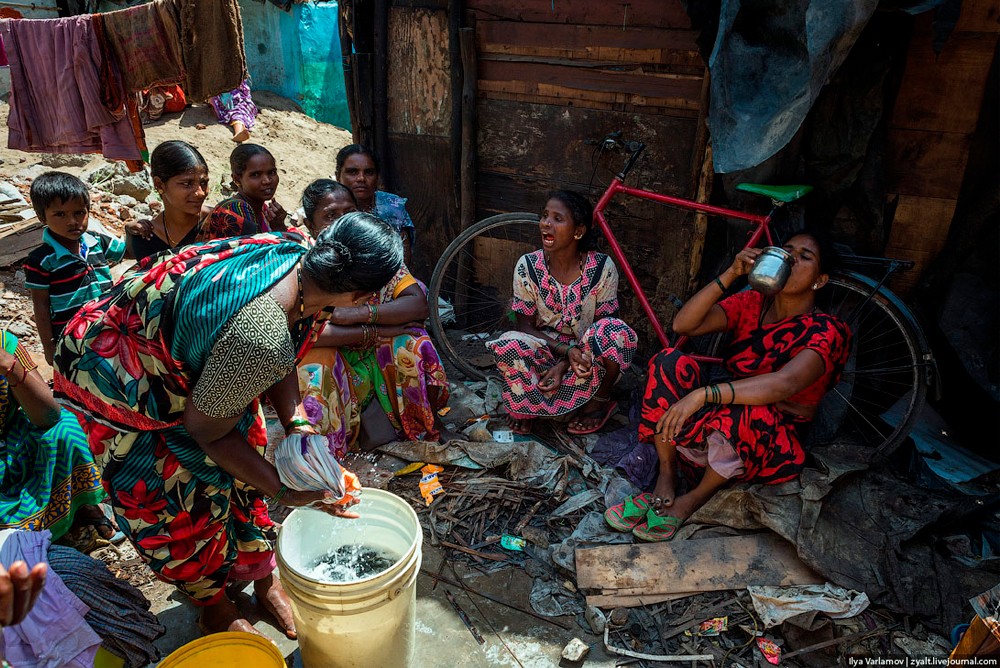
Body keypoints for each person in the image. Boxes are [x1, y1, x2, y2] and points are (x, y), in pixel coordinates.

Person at [53, 216, 403, 637]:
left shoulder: (302, 258)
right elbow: (208, 429)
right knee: (177, 507)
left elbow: (284, 343)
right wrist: (286, 491)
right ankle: (214, 605)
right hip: (124, 375)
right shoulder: (258, 332)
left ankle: (262, 576)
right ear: (363, 294)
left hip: (210, 366)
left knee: (244, 472)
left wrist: (296, 423)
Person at [604, 232, 851, 542]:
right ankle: (666, 475)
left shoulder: (828, 331)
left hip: (766, 442)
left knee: (751, 413)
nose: (791, 259)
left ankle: (694, 499)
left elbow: (783, 384)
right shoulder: (753, 303)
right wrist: (732, 272)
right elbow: (684, 325)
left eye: (805, 257)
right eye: (786, 251)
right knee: (669, 361)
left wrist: (701, 395)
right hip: (723, 417)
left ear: (820, 280)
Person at [297, 187, 455, 453]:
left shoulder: (373, 251)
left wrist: (354, 316)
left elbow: (417, 302)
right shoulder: (308, 262)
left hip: (371, 348)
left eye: (348, 213)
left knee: (412, 343)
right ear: (311, 225)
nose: (340, 222)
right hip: (332, 349)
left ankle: (421, 426)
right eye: (330, 215)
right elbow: (301, 334)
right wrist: (372, 332)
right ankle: (326, 452)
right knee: (313, 369)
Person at [486, 190, 638, 436]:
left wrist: (569, 362)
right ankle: (525, 409)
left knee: (613, 332)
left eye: (558, 218)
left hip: (586, 363)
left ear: (578, 231)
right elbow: (523, 326)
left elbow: (604, 330)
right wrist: (563, 353)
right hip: (546, 355)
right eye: (545, 216)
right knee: (509, 344)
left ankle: (597, 402)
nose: (546, 223)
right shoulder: (528, 266)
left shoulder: (601, 268)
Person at [0, 330, 109, 543]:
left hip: (15, 445)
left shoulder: (5, 343)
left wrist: (10, 367)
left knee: (64, 429)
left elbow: (49, 415)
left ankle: (76, 507)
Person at [24, 172, 126, 366]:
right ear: (41, 217)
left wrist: (136, 228)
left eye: (79, 212)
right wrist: (49, 346)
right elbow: (41, 306)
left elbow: (128, 251)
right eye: (60, 214)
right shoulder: (41, 260)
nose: (72, 221)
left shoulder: (96, 242)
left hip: (108, 328)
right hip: (71, 337)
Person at [125, 140, 210, 263]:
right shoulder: (147, 237)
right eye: (187, 183)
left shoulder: (221, 223)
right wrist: (130, 235)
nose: (201, 193)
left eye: (203, 183)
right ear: (159, 184)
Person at [335, 144, 415, 268]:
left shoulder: (393, 207)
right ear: (338, 176)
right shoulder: (331, 208)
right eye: (352, 172)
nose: (361, 178)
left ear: (377, 177)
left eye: (369, 172)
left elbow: (403, 260)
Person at [202, 144, 288, 240]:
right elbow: (256, 252)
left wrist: (279, 225)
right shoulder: (236, 209)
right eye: (256, 175)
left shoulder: (262, 210)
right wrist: (279, 228)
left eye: (271, 172)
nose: (267, 180)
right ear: (237, 179)